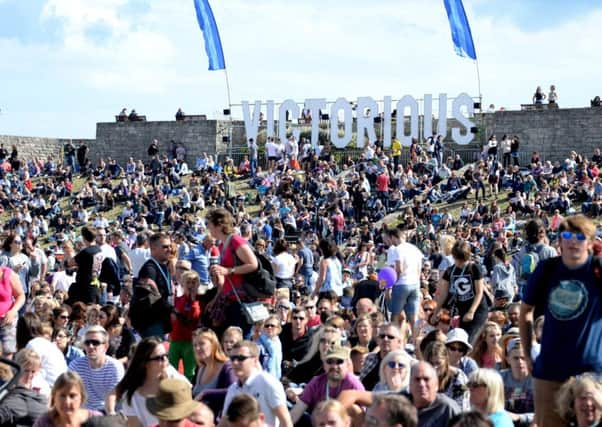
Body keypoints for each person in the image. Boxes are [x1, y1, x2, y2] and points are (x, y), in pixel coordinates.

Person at [520, 215, 602, 427]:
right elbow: (525, 311)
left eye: (580, 236)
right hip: (550, 371)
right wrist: (528, 352)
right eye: (567, 235)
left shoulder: (597, 270)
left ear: (591, 242)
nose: (573, 241)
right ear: (559, 241)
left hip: (593, 372)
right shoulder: (547, 270)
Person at [205, 208, 259, 336]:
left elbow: (253, 264)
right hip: (230, 300)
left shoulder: (235, 241)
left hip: (242, 301)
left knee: (239, 341)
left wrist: (229, 270)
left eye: (210, 224)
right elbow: (225, 278)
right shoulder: (222, 245)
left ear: (219, 225)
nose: (208, 227)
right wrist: (216, 298)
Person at [115, 337, 189, 427]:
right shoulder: (131, 397)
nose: (165, 360)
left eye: (166, 355)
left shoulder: (172, 375)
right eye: (159, 358)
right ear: (145, 363)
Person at [221, 340, 292, 427]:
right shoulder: (232, 389)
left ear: (255, 360)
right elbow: (223, 423)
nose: (235, 363)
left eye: (241, 358)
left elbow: (286, 421)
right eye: (232, 358)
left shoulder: (268, 383)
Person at [289, 346, 364, 424]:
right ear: (324, 365)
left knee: (354, 409)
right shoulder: (316, 382)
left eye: (339, 361)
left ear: (347, 364)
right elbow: (297, 410)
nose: (334, 366)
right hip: (321, 423)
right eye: (330, 361)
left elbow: (364, 416)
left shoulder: (353, 383)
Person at [435, 240, 487, 341]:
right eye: (457, 259)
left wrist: (471, 311)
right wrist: (436, 311)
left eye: (462, 259)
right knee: (460, 339)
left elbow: (479, 292)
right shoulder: (450, 271)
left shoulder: (474, 268)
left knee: (470, 339)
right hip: (462, 310)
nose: (459, 262)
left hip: (477, 309)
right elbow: (444, 294)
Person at [68, 325, 125, 414]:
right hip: (81, 413)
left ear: (105, 346)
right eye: (87, 342)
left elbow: (113, 401)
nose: (90, 346)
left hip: (107, 413)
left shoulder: (114, 367)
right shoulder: (75, 366)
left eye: (95, 342)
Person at [134, 232, 174, 338]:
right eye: (165, 247)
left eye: (170, 246)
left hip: (162, 319)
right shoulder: (149, 269)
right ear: (153, 249)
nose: (170, 249)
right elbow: (147, 298)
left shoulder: (164, 266)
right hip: (152, 322)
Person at [191, 328, 236, 417]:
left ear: (213, 344)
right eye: (195, 345)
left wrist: (206, 393)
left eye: (202, 343)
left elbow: (234, 392)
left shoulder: (227, 367)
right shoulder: (201, 368)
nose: (197, 348)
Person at [33, 371, 103, 427]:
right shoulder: (44, 423)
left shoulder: (97, 420)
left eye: (72, 396)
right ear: (54, 397)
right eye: (62, 396)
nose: (67, 402)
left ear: (81, 398)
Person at [0, 348, 48, 426]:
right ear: (15, 370)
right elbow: (6, 410)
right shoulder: (12, 390)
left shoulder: (42, 386)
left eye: (33, 371)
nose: (29, 375)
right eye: (26, 370)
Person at [169, 270, 202, 382]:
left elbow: (195, 316)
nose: (190, 285)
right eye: (188, 282)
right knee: (171, 368)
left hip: (190, 341)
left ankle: (189, 391)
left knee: (190, 371)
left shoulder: (199, 301)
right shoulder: (177, 299)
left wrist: (193, 300)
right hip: (175, 339)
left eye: (193, 283)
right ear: (182, 284)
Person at [422, 341, 470, 410]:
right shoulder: (421, 377)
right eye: (431, 363)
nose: (434, 367)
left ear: (446, 360)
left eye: (438, 363)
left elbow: (462, 409)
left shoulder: (458, 378)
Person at [499, 338, 534, 426]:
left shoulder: (537, 381)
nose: (520, 362)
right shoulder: (499, 378)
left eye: (523, 358)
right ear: (508, 359)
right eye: (515, 358)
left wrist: (519, 417)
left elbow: (544, 413)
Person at [360, 323, 405, 391]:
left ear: (399, 342)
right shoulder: (370, 358)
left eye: (390, 337)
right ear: (378, 340)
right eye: (382, 336)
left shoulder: (404, 364)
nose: (385, 339)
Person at [67, 226, 104, 304]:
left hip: (85, 288)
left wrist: (70, 252)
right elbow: (88, 265)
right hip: (95, 283)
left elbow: (70, 263)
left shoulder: (86, 252)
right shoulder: (99, 249)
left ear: (84, 238)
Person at [0, 263, 25, 359]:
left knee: (7, 351)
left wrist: (13, 311)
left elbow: (20, 295)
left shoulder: (8, 274)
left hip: (7, 321)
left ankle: (5, 373)